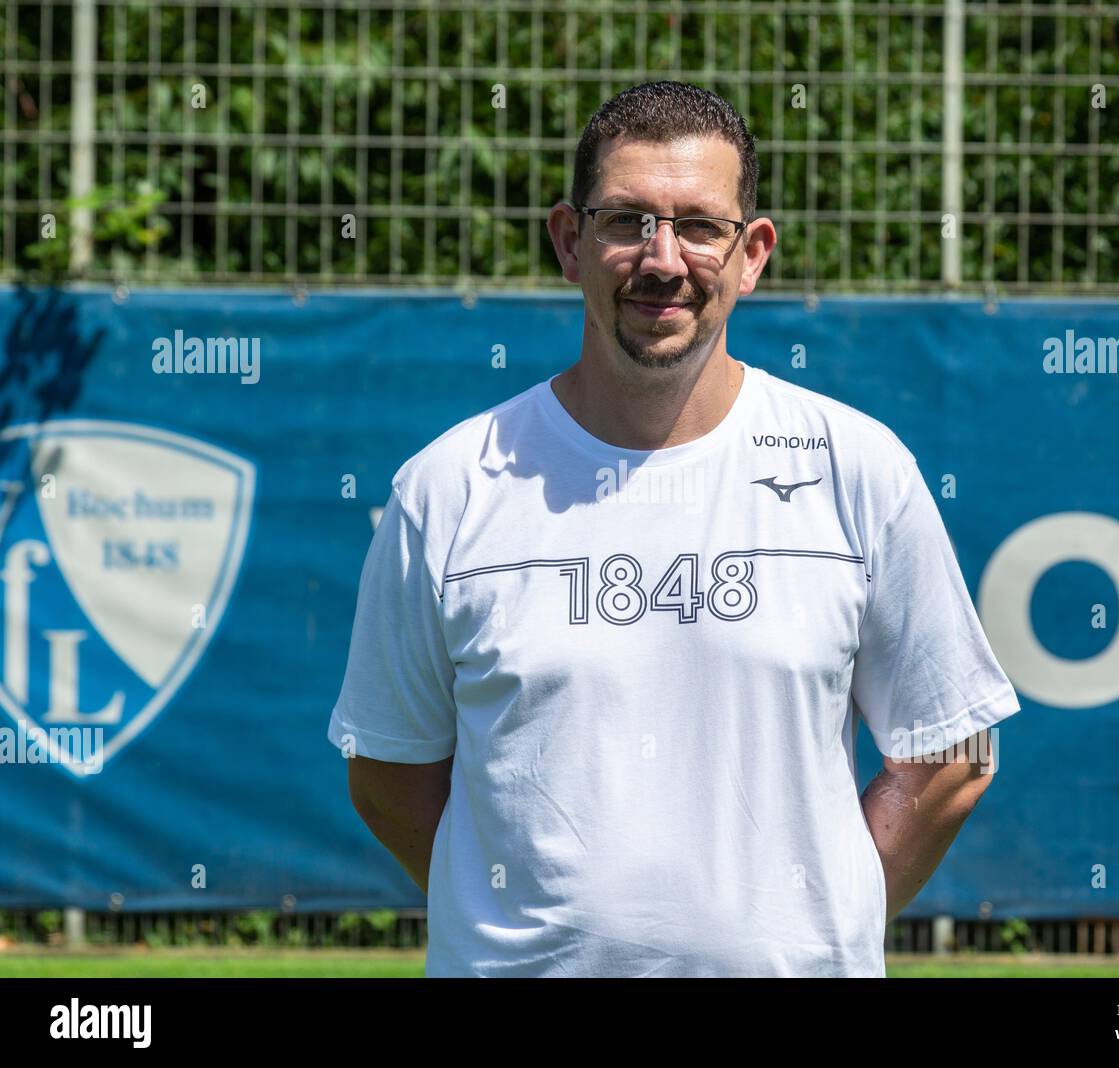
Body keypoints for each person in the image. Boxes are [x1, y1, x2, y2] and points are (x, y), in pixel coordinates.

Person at [328, 80, 1020, 977]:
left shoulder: (857, 467)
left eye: (700, 226)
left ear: (753, 253)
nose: (663, 259)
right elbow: (390, 771)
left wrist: (821, 918)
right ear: (570, 243)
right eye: (626, 222)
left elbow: (953, 749)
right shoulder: (449, 488)